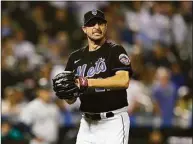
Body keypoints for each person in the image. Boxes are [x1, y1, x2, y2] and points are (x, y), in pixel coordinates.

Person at [53, 9, 133, 144]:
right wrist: (67, 93)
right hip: (87, 122)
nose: (96, 27)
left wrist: (87, 82)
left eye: (100, 23)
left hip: (113, 121)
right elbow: (71, 100)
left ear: (105, 27)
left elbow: (123, 80)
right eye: (92, 24)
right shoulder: (75, 57)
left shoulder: (115, 50)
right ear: (84, 29)